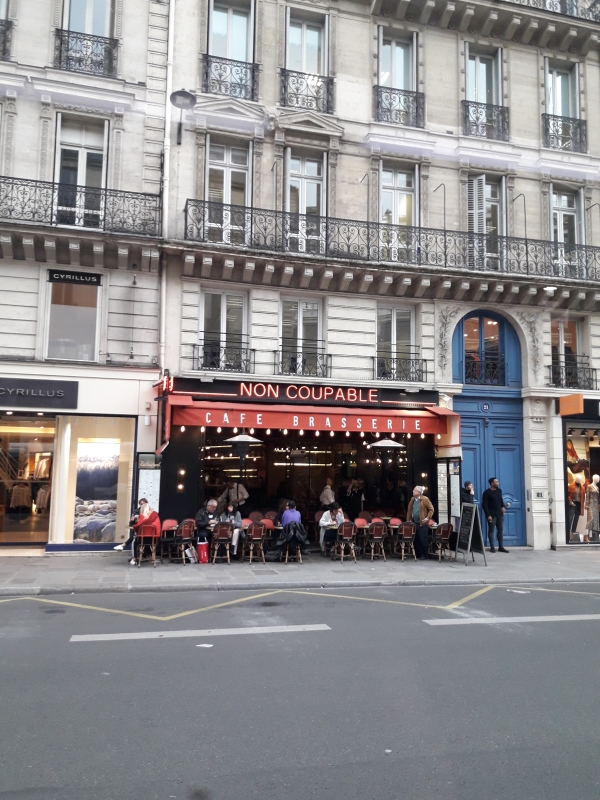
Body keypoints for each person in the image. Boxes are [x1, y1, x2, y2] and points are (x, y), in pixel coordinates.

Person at [406, 486, 434, 560]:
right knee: (416, 539)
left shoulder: (424, 499)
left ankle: (423, 554)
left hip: (422, 523)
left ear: (419, 492)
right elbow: (409, 510)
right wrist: (408, 520)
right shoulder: (412, 499)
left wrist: (427, 518)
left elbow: (431, 509)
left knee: (422, 539)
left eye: (414, 490)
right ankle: (417, 554)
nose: (413, 491)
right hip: (414, 522)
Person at [482, 477, 509, 553]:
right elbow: (485, 505)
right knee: (491, 531)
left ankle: (501, 547)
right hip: (492, 515)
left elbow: (500, 500)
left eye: (498, 481)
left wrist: (502, 506)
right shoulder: (486, 492)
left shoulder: (499, 491)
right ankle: (492, 547)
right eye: (496, 482)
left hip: (499, 514)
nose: (498, 483)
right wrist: (488, 515)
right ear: (492, 483)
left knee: (500, 530)